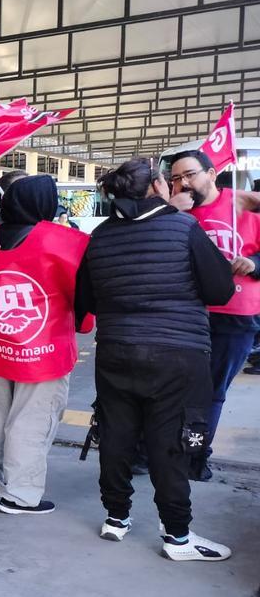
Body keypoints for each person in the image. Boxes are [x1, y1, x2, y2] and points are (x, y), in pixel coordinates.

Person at [78, 158, 234, 561]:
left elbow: (86, 299)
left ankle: (116, 518)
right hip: (177, 354)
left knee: (116, 435)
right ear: (157, 187)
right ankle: (177, 536)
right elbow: (220, 291)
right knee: (170, 443)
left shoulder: (100, 236)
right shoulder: (184, 228)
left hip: (115, 351)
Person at [0, 175, 91, 515]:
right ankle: (20, 494)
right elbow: (81, 290)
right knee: (33, 416)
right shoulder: (59, 239)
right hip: (43, 347)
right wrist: (84, 321)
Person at [166, 150, 260, 481]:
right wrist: (169, 212)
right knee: (175, 389)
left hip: (235, 315)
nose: (183, 183)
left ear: (211, 174)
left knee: (211, 393)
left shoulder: (243, 205)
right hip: (187, 313)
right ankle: (162, 451)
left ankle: (196, 454)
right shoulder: (176, 211)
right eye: (176, 178)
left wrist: (254, 264)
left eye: (189, 174)